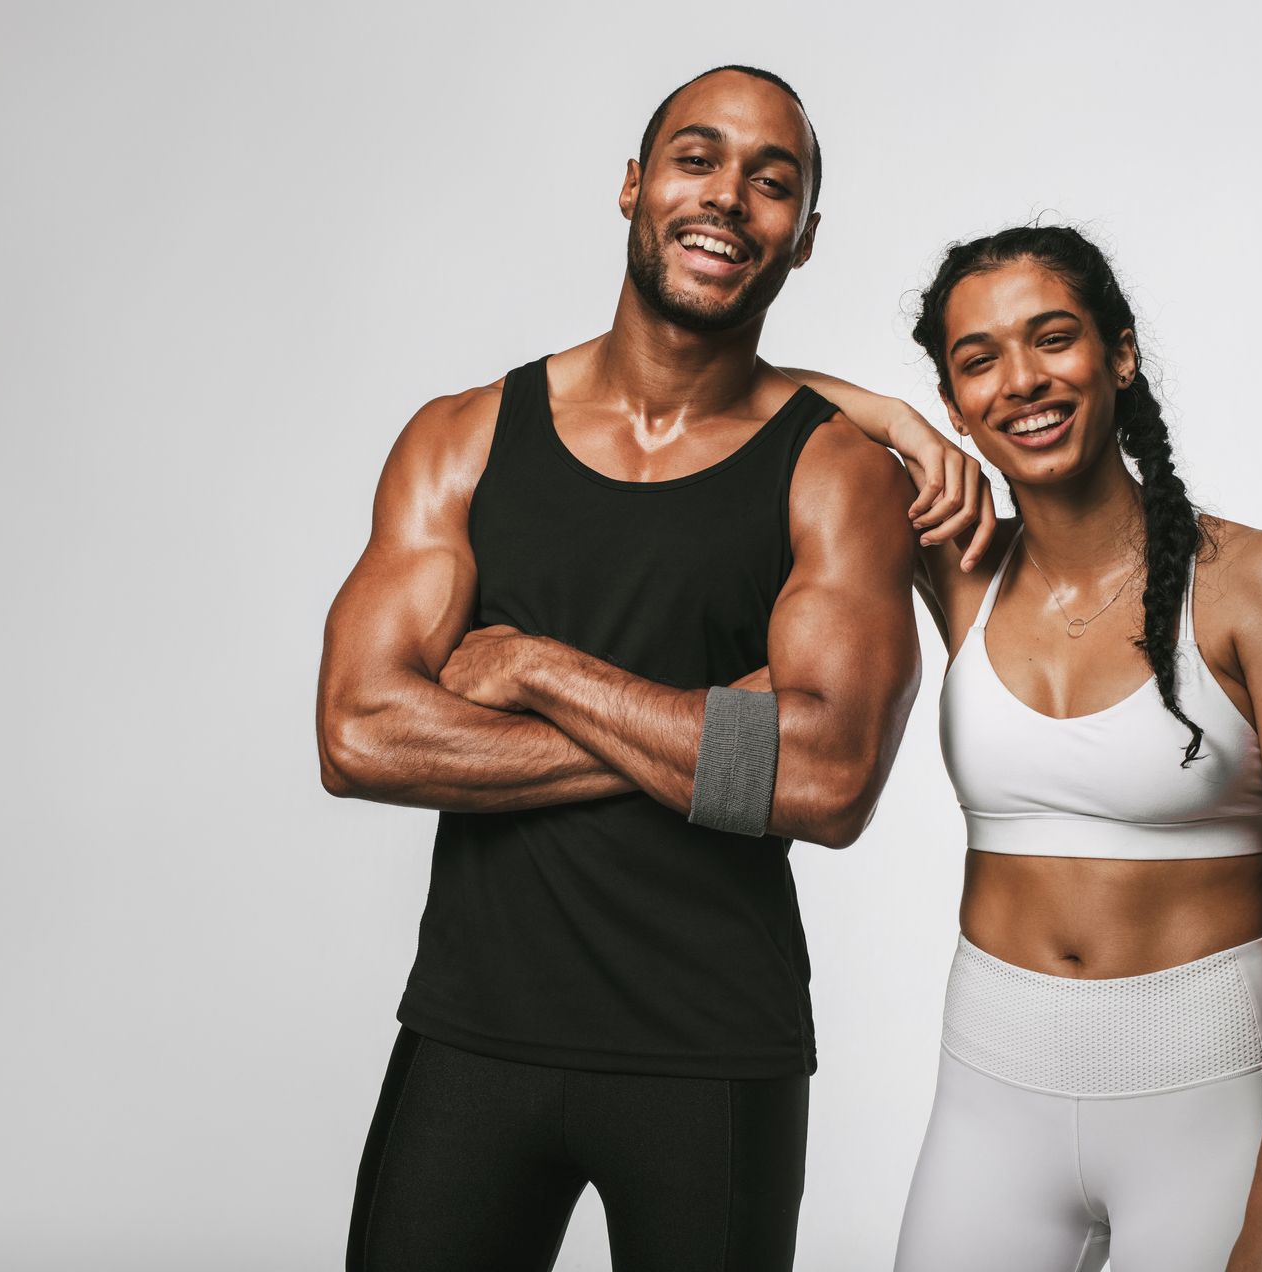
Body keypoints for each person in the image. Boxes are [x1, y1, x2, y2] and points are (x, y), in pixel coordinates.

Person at [314, 65, 984, 1272]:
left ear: (806, 238)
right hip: (474, 1033)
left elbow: (828, 784)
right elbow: (361, 737)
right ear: (634, 185)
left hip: (713, 1052)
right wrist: (721, 734)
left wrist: (535, 667)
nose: (729, 198)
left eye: (772, 183)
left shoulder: (836, 473)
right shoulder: (462, 439)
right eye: (697, 159)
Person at [790, 224, 1262, 1272]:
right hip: (990, 1090)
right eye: (979, 361)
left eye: (1052, 339)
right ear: (959, 400)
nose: (1022, 381)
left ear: (1120, 354)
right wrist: (906, 429)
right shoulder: (960, 567)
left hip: (1206, 1100)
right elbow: (759, 396)